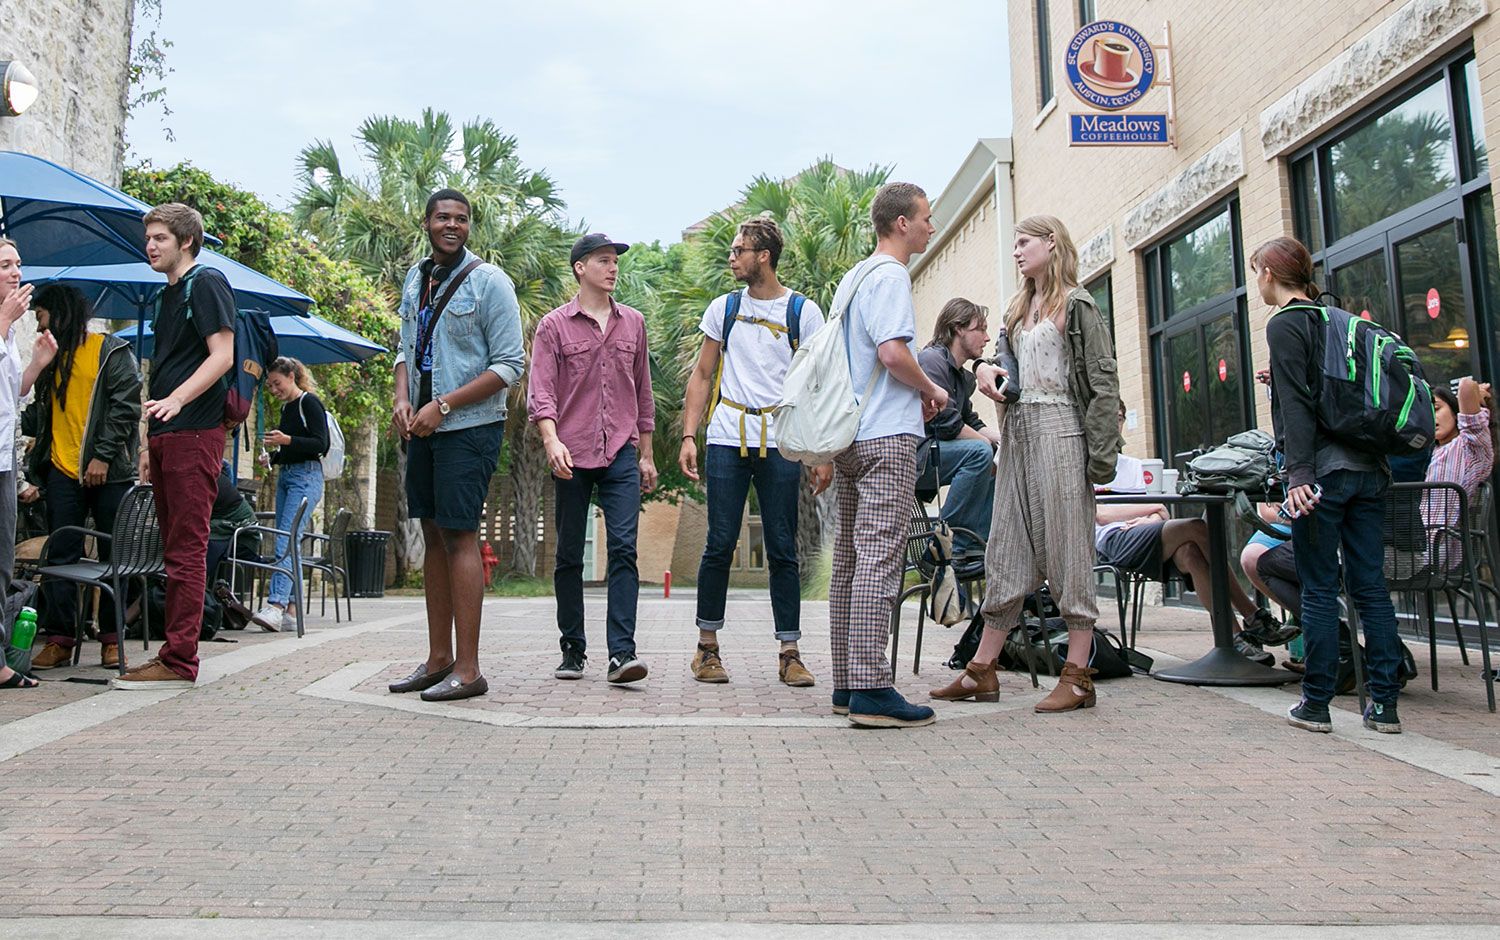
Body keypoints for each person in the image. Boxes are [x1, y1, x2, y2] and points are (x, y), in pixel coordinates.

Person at [931, 215, 1120, 713]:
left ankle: (1078, 676)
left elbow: (1103, 384)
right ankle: (981, 670)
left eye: (1024, 242)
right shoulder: (1018, 308)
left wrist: (1102, 459)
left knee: (1067, 549)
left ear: (1051, 243)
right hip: (1017, 435)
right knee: (1007, 548)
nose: (1016, 251)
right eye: (1013, 244)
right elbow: (1006, 366)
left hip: (1063, 431)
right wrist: (985, 369)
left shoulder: (1077, 304)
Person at [1257, 236, 1405, 734]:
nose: (1257, 283)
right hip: (1370, 470)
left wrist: (1298, 475)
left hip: (1322, 475)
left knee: (1318, 588)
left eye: (1257, 273)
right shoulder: (1334, 318)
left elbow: (1299, 408)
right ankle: (1384, 707)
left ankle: (1316, 704)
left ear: (1270, 275)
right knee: (1371, 588)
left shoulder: (1284, 323)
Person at [387, 189, 525, 703]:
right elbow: (404, 349)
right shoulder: (415, 279)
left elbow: (509, 365)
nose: (452, 225)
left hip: (468, 427)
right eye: (443, 217)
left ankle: (468, 670)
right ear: (426, 222)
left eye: (461, 219)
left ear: (469, 227)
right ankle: (437, 659)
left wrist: (442, 405)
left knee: (461, 535)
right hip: (422, 427)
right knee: (432, 533)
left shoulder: (490, 282)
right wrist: (403, 399)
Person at [678, 217, 829, 687]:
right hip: (727, 435)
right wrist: (689, 436)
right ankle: (707, 649)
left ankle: (790, 653)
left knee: (782, 545)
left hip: (780, 438)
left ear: (763, 255)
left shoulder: (803, 312)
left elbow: (819, 385)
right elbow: (703, 375)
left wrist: (820, 453)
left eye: (739, 250)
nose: (732, 258)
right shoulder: (724, 309)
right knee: (719, 542)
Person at [826, 182, 947, 728]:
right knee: (880, 557)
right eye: (925, 217)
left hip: (849, 436)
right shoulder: (892, 275)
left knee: (850, 562)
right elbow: (893, 353)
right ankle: (874, 689)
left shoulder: (853, 278)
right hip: (886, 438)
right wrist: (930, 388)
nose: (931, 226)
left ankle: (847, 684)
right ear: (901, 223)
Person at [111, 203, 236, 690]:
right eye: (148, 238)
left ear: (186, 241)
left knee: (186, 549)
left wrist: (178, 401)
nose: (150, 245)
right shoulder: (169, 294)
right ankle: (173, 653)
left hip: (194, 433)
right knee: (172, 548)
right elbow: (165, 369)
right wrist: (148, 442)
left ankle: (180, 659)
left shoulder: (206, 282)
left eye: (160, 237)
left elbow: (222, 356)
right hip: (167, 435)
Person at [528, 233, 657, 686]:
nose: (613, 267)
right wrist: (551, 441)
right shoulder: (553, 326)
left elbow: (643, 391)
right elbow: (541, 392)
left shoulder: (633, 323)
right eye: (603, 260)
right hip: (571, 450)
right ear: (580, 268)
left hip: (621, 449)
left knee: (623, 549)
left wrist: (646, 453)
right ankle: (573, 649)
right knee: (568, 554)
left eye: (615, 261)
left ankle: (622, 654)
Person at [1093, 401, 1279, 665]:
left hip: (1144, 534)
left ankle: (1234, 639)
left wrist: (1151, 515)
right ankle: (1252, 614)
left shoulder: (1135, 466)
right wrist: (1153, 509)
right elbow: (1100, 514)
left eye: (1120, 417)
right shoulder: (1090, 466)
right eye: (1109, 417)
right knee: (1197, 527)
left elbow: (1159, 514)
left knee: (1191, 553)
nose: (1115, 423)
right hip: (1112, 541)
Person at [22, 284, 142, 671]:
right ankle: (59, 639)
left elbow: (126, 407)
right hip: (61, 469)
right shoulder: (50, 358)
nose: (39, 327)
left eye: (41, 318)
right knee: (59, 554)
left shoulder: (110, 351)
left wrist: (102, 456)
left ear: (59, 315)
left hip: (110, 471)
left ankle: (111, 639)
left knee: (114, 555)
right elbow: (39, 416)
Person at [0, 236, 50, 690]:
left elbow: (12, 392)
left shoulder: (11, 327)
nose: (16, 272)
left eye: (18, 264)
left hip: (4, 460)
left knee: (2, 561)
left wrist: (37, 363)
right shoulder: (4, 322)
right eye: (5, 265)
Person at [917, 297, 1002, 557]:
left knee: (995, 456)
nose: (987, 337)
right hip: (918, 455)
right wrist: (986, 445)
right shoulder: (931, 360)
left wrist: (1005, 441)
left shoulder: (961, 375)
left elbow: (970, 421)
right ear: (958, 329)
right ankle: (944, 547)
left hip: (939, 452)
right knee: (980, 452)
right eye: (980, 329)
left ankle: (974, 547)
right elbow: (947, 424)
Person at [251, 357, 329, 632]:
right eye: (270, 386)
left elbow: (320, 444)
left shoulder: (310, 403)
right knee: (289, 539)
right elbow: (292, 450)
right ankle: (292, 610)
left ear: (292, 376)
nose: (274, 390)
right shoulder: (287, 408)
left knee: (286, 538)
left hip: (306, 478)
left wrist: (286, 440)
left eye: (277, 383)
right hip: (288, 476)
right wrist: (273, 456)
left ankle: (276, 605)